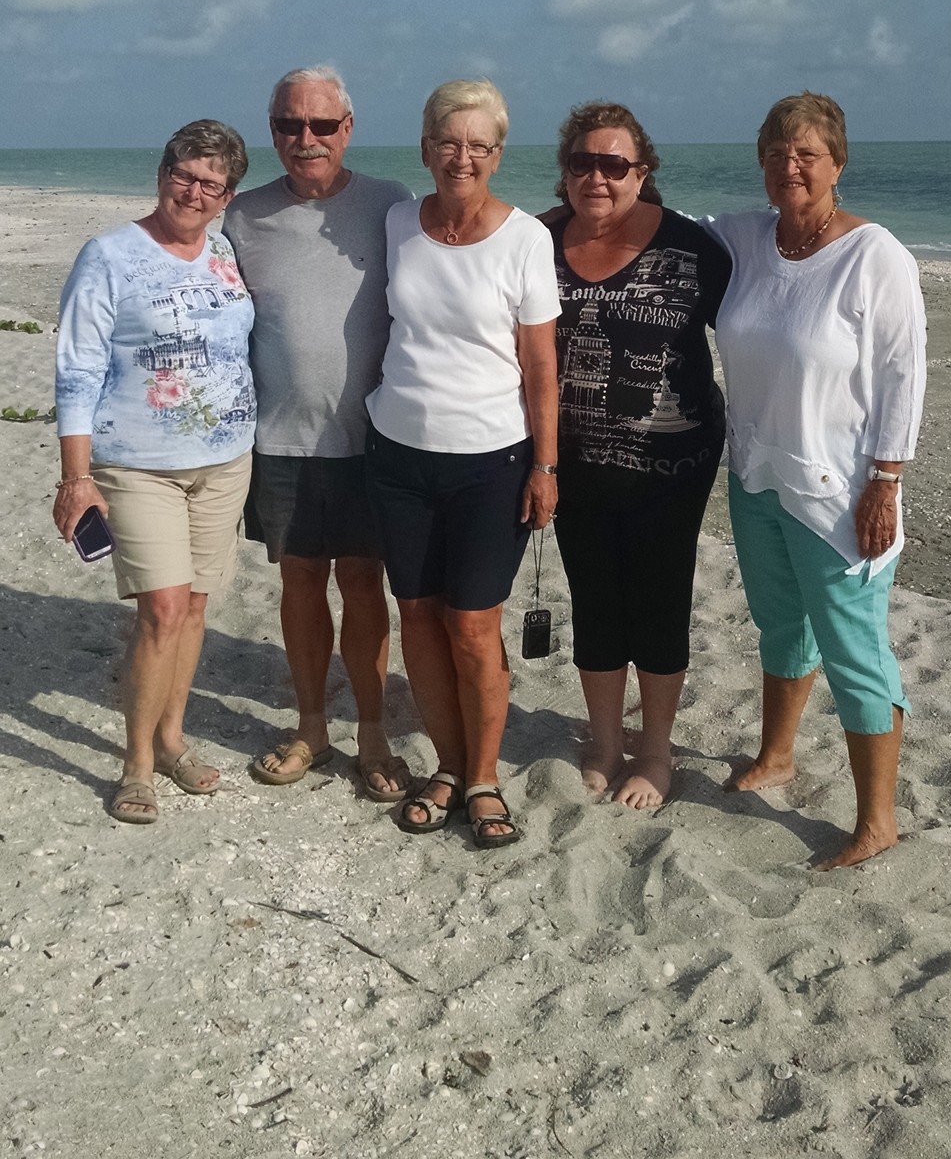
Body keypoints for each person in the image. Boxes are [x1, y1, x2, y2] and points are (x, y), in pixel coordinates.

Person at [708, 91, 926, 869]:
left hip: (839, 490)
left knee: (853, 649)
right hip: (755, 474)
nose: (789, 166)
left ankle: (877, 821)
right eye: (776, 153)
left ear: (838, 164)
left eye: (807, 154)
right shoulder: (743, 237)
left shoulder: (875, 256)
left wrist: (886, 480)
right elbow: (652, 226)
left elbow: (903, 374)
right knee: (780, 625)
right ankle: (777, 755)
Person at [365, 79, 560, 846]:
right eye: (449, 142)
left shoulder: (525, 239)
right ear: (425, 149)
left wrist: (546, 468)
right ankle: (447, 766)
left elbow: (540, 368)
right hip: (397, 454)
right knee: (416, 614)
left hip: (491, 462)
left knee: (473, 625)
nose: (462, 157)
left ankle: (483, 778)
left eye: (479, 145)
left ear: (498, 154)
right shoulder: (396, 223)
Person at [53, 120, 256, 824]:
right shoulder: (109, 255)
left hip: (226, 462)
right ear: (162, 173)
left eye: (212, 185)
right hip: (137, 465)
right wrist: (75, 478)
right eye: (184, 176)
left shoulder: (225, 252)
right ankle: (137, 763)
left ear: (228, 196)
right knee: (162, 610)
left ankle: (172, 740)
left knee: (196, 606)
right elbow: (77, 369)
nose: (194, 193)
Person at [223, 66, 413, 798]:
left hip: (372, 439)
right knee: (300, 581)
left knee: (364, 582)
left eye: (323, 124)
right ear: (272, 130)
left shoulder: (391, 205)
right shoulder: (242, 215)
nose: (307, 138)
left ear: (348, 129)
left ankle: (372, 730)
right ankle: (310, 726)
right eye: (289, 124)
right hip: (279, 440)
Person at [542, 103, 732, 808]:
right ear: (566, 171)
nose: (597, 177)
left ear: (641, 172)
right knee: (592, 596)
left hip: (672, 469)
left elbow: (756, 332)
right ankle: (603, 740)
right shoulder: (535, 240)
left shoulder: (694, 249)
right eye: (582, 162)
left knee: (659, 597)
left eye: (614, 164)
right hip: (573, 463)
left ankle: (654, 750)